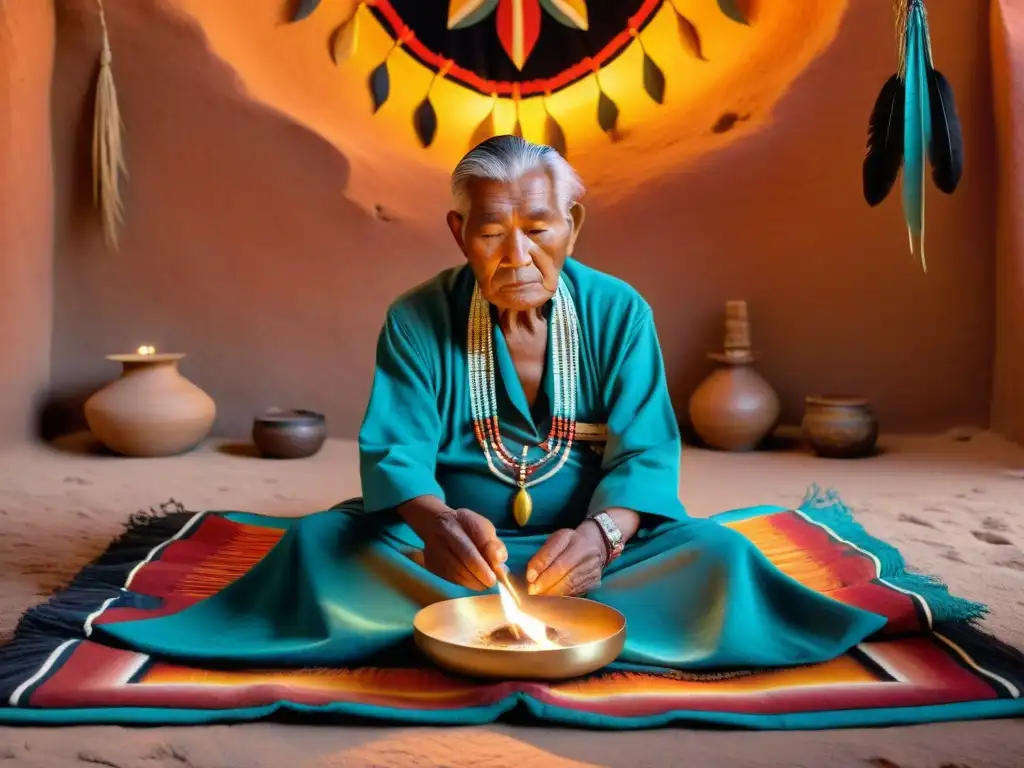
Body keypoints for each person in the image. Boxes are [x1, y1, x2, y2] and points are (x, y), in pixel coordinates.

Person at [97, 136, 885, 670]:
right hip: (440, 550)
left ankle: (477, 619)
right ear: (457, 231)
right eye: (492, 233)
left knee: (720, 557)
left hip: (594, 548)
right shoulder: (417, 316)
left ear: (571, 227)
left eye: (539, 228)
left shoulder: (619, 313)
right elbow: (395, 449)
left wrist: (606, 535)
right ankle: (499, 608)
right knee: (315, 550)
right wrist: (434, 523)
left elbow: (645, 450)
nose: (517, 256)